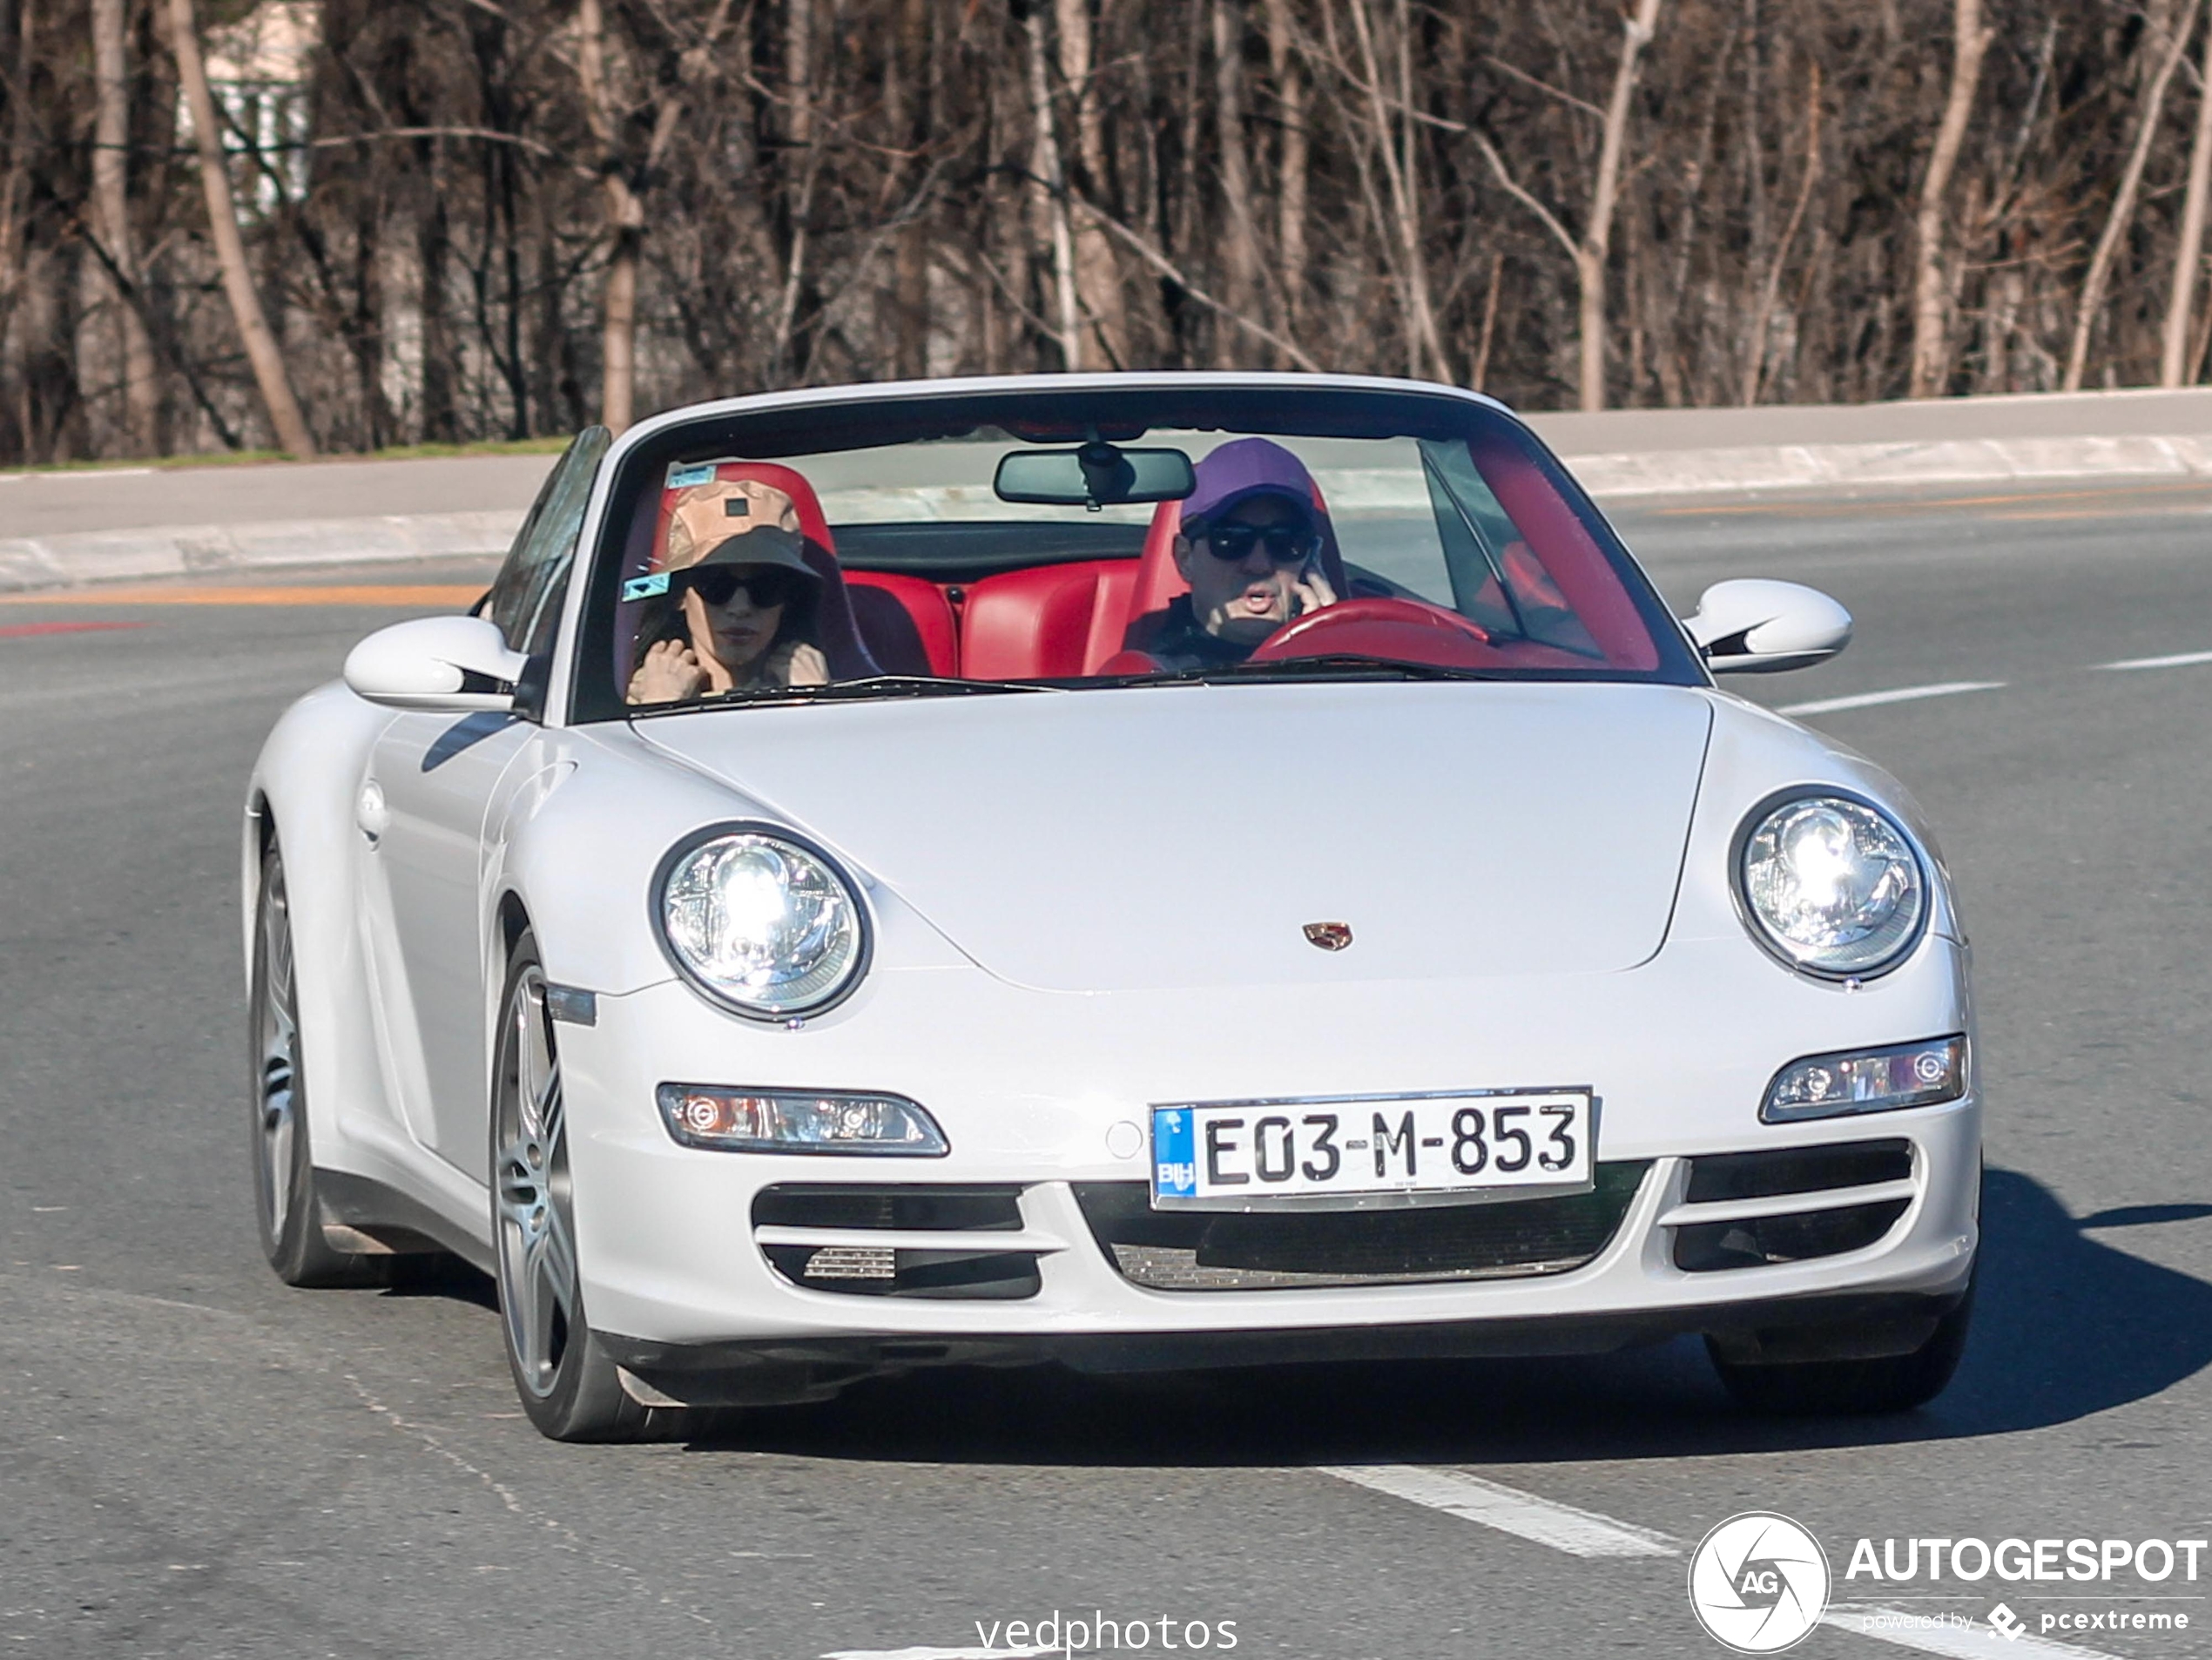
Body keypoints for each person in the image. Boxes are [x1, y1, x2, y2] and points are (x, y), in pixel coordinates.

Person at [1135, 437, 1339, 671]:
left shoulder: (1362, 667)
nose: (1259, 565)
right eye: (1231, 540)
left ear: (1311, 559)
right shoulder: (1151, 681)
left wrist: (1324, 657)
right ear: (1184, 557)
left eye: (1285, 540)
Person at [625, 479, 832, 704]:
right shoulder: (622, 696)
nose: (740, 608)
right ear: (681, 595)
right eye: (715, 584)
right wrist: (660, 704)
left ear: (789, 599)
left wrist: (816, 702)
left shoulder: (825, 689)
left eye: (767, 586)